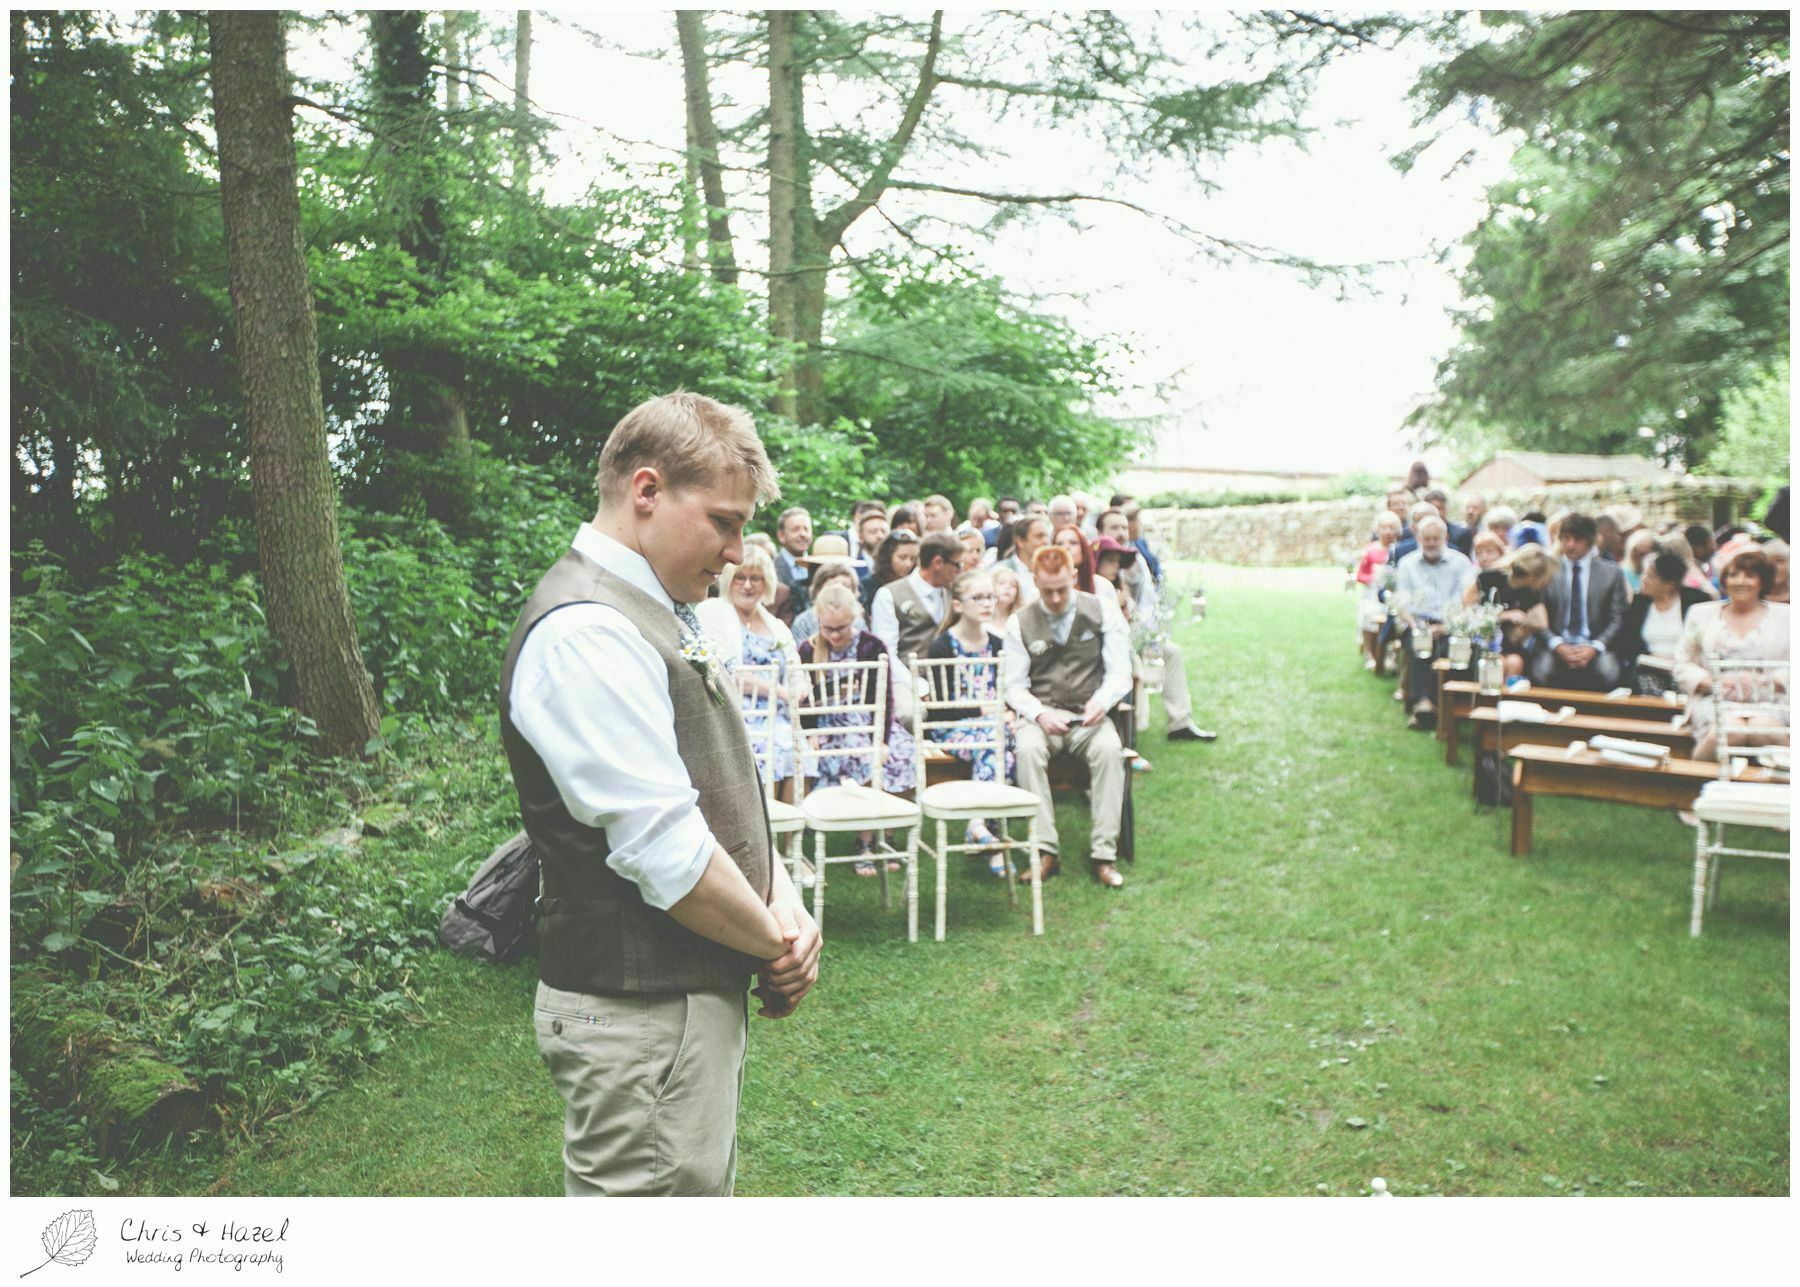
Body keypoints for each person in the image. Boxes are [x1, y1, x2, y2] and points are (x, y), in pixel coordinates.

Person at [502, 391, 818, 1197]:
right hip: (637, 1018)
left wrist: (783, 899)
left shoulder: (661, 609)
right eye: (723, 522)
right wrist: (776, 947)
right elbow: (666, 851)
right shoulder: (585, 631)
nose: (737, 553)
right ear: (647, 490)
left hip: (675, 1010)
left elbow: (725, 784)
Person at [1004, 546, 1134, 888]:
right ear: (1034, 581)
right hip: (1043, 715)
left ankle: (1104, 854)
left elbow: (1120, 672)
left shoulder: (1102, 611)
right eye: (1047, 591)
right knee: (1026, 750)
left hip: (1088, 714)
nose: (1056, 598)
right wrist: (1039, 714)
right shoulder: (1019, 622)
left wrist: (1101, 702)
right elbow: (1013, 685)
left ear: (1074, 576)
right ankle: (1045, 850)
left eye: (1062, 589)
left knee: (1110, 752)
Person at [795, 583, 918, 875]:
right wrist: (811, 732)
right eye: (828, 629)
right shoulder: (808, 650)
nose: (835, 636)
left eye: (842, 628)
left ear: (854, 619)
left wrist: (883, 738)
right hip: (830, 725)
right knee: (863, 756)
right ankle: (865, 842)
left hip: (870, 721)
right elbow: (803, 701)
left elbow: (884, 697)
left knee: (904, 753)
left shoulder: (872, 646)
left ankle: (887, 834)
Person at [696, 547, 805, 802]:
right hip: (738, 713)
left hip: (779, 715)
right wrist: (778, 691)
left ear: (767, 582)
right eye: (740, 578)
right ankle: (765, 820)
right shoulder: (712, 612)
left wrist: (800, 688)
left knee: (798, 748)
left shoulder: (776, 625)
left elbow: (795, 669)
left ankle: (792, 824)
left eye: (755, 578)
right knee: (775, 744)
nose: (747, 586)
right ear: (728, 580)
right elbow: (722, 672)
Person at [924, 569, 1015, 873]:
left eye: (990, 597)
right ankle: (984, 829)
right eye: (978, 598)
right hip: (951, 730)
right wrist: (982, 711)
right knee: (997, 744)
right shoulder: (942, 647)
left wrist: (1008, 711)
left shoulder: (998, 645)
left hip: (993, 731)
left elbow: (1009, 692)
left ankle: (981, 829)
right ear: (958, 605)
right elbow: (939, 710)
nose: (987, 603)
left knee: (1002, 746)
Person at [1673, 549, 1790, 761]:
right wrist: (1712, 682)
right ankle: (1694, 776)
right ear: (1725, 580)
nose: (1740, 581)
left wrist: (1764, 681)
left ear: (1762, 581)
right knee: (1730, 731)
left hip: (1769, 699)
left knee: (1763, 729)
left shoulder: (1787, 616)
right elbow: (1682, 663)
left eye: (1749, 575)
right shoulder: (1701, 614)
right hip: (1716, 699)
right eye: (1733, 575)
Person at [1532, 511, 1630, 691]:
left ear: (1590, 540)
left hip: (1595, 643)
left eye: (1577, 540)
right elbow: (1537, 616)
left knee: (1609, 672)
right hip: (1557, 642)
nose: (1570, 545)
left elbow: (1618, 618)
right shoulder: (1548, 571)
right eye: (1566, 539)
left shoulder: (1611, 573)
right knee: (1542, 670)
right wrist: (1557, 644)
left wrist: (1595, 647)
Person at [1394, 515, 1475, 729]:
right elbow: (1401, 601)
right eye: (1426, 538)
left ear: (1445, 538)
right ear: (1418, 538)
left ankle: (1436, 703)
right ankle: (1422, 703)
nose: (1430, 543)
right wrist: (1417, 625)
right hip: (1418, 623)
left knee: (1449, 647)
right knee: (1420, 645)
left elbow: (1469, 601)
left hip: (1452, 624)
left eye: (1435, 539)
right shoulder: (1407, 564)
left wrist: (1447, 627)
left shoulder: (1461, 562)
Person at [1617, 549, 1714, 695]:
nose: (1643, 579)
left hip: (1684, 666)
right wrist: (1650, 656)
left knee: (1685, 682)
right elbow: (1627, 642)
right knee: (1647, 681)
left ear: (1669, 584)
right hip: (1649, 667)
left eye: (1649, 576)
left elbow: (1704, 640)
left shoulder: (1695, 601)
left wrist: (1679, 663)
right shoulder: (1639, 603)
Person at [871, 529, 962, 669]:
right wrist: (914, 682)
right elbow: (886, 654)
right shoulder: (888, 595)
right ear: (938, 563)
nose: (960, 570)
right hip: (908, 678)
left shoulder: (954, 592)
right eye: (957, 564)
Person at [1466, 543, 1554, 679]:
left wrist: (1524, 627)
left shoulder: (1529, 590)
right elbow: (1467, 610)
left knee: (1515, 662)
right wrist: (1505, 615)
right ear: (1531, 576)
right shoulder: (1488, 578)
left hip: (1508, 642)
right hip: (1482, 640)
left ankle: (1507, 693)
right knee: (1498, 664)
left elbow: (1541, 622)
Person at [1359, 511, 1402, 672]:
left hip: (1394, 595)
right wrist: (1373, 578)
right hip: (1372, 594)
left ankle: (1392, 656)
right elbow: (1360, 575)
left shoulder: (1400, 549)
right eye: (1384, 527)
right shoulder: (1370, 550)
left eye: (1392, 527)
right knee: (1367, 612)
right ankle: (1370, 654)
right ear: (1378, 530)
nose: (1388, 531)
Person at [790, 559, 864, 642]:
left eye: (846, 586)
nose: (839, 592)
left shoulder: (858, 621)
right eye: (832, 586)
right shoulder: (803, 622)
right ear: (818, 590)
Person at [771, 506, 813, 624]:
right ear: (781, 535)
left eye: (806, 529)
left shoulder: (819, 568)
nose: (803, 534)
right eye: (796, 529)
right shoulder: (770, 569)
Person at [997, 514, 1050, 606]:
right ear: (1020, 541)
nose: (1046, 541)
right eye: (1039, 536)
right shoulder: (1000, 571)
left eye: (1047, 536)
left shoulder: (1052, 571)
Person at [863, 527, 919, 611]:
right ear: (888, 556)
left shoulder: (917, 585)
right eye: (902, 557)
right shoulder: (868, 586)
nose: (908, 564)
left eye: (913, 558)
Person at [1052, 523, 1098, 593]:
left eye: (1073, 543)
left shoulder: (1102, 586)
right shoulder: (1043, 587)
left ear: (1083, 549)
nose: (1066, 547)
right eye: (1059, 544)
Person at [1621, 527, 1659, 595]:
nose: (1644, 559)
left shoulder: (1658, 575)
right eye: (1641, 554)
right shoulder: (1622, 573)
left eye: (1647, 554)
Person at [990, 565, 1025, 634]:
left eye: (1013, 585)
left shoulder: (1020, 621)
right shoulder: (982, 618)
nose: (1008, 587)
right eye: (1001, 583)